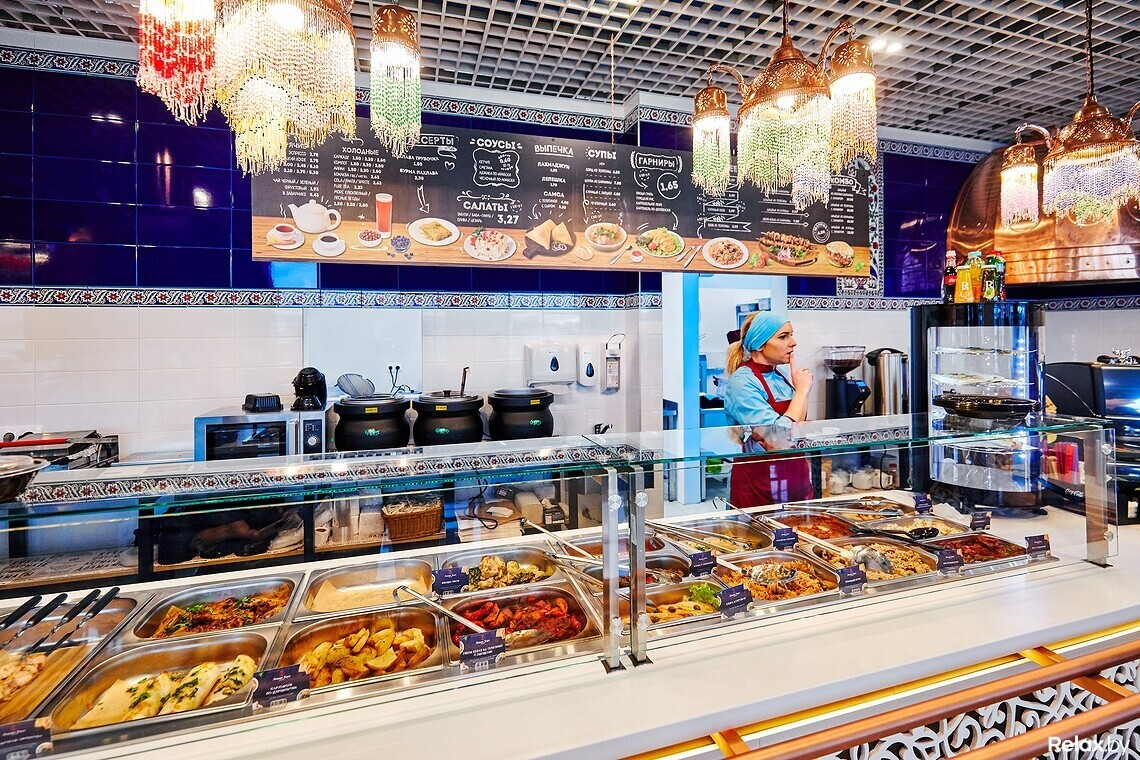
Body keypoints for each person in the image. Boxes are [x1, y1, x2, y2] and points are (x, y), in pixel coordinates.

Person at [723, 310, 815, 507]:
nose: (793, 342)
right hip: (759, 485)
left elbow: (796, 429)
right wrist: (802, 391)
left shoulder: (780, 376)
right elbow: (778, 438)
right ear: (759, 344)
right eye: (783, 336)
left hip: (795, 478)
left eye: (791, 335)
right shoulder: (742, 382)